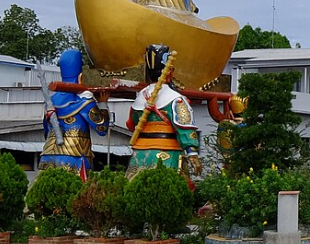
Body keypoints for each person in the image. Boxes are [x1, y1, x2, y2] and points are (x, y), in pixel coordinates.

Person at [126, 45, 201, 184]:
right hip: (167, 151)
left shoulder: (140, 97)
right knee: (170, 187)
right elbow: (185, 127)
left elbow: (132, 123)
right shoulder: (175, 99)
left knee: (134, 185)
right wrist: (192, 153)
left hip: (140, 153)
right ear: (170, 71)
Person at [39, 49, 110, 182]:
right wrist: (102, 103)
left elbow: (46, 130)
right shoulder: (84, 100)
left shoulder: (51, 101)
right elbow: (102, 128)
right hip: (75, 153)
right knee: (76, 190)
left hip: (49, 152)